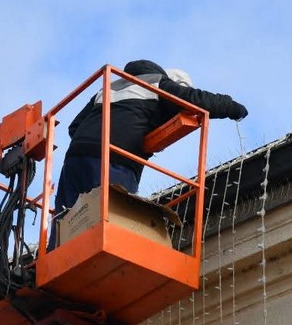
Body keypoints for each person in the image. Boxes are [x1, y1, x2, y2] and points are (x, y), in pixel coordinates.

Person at [54, 59, 247, 213]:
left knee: (66, 219)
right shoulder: (157, 83)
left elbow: (75, 127)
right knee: (113, 218)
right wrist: (233, 108)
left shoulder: (108, 87)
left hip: (76, 158)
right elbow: (196, 100)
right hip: (116, 160)